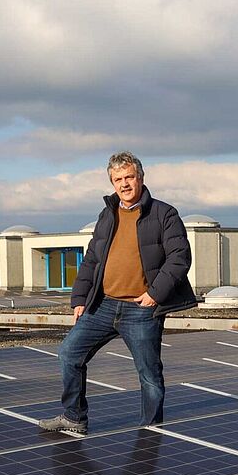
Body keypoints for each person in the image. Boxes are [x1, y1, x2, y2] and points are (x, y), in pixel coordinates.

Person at [38, 151, 197, 433]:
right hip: (102, 306)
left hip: (142, 310)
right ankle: (74, 417)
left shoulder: (164, 214)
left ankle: (151, 431)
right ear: (112, 183)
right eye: (118, 179)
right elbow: (91, 260)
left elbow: (179, 258)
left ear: (141, 178)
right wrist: (79, 299)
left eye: (129, 177)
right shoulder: (107, 214)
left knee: (149, 375)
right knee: (69, 355)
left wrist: (155, 295)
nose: (124, 184)